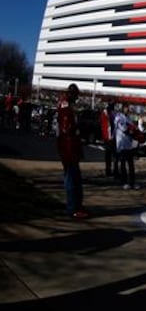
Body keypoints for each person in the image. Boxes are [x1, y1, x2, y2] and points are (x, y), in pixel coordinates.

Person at [57, 84, 88, 219]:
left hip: (69, 148)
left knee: (74, 179)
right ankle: (72, 208)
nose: (77, 98)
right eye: (76, 95)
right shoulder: (65, 108)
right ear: (71, 94)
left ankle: (76, 206)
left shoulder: (66, 106)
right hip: (68, 149)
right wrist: (76, 128)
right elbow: (66, 128)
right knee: (72, 179)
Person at [114, 103, 139, 190]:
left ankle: (132, 182)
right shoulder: (118, 117)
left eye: (128, 108)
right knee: (123, 164)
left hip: (129, 144)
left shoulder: (129, 118)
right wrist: (130, 131)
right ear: (123, 108)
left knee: (131, 165)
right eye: (126, 108)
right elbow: (123, 128)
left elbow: (133, 128)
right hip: (122, 144)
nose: (128, 110)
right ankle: (124, 182)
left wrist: (135, 132)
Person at [100, 102, 117, 177]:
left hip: (110, 137)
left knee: (111, 155)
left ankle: (112, 170)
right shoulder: (106, 115)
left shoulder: (109, 114)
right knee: (110, 155)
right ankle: (109, 170)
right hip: (108, 137)